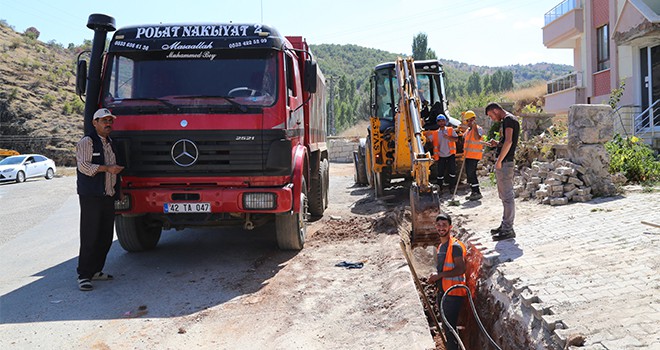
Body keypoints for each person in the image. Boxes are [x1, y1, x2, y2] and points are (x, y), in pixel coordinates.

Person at [75, 108, 124, 291]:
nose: (108, 123)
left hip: (108, 196)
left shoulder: (111, 143)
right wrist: (107, 169)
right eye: (103, 120)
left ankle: (96, 270)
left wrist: (118, 190)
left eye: (110, 120)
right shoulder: (87, 142)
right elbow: (84, 167)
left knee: (105, 236)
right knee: (90, 235)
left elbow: (116, 170)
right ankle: (84, 275)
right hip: (91, 197)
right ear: (94, 123)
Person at [427, 213, 467, 350]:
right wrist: (436, 275)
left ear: (450, 227)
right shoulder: (441, 247)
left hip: (453, 293)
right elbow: (444, 268)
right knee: (447, 327)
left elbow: (461, 268)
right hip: (444, 292)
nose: (441, 228)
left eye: (444, 225)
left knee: (450, 330)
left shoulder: (454, 246)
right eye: (438, 225)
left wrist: (439, 276)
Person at [485, 102, 520, 241]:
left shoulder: (509, 120)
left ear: (496, 110)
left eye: (491, 115)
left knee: (507, 197)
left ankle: (508, 229)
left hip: (505, 163)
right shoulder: (507, 120)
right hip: (505, 163)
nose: (492, 118)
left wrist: (499, 160)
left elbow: (509, 142)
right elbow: (505, 141)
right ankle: (505, 224)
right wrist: (497, 144)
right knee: (504, 196)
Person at [427, 114, 458, 193]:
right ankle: (440, 188)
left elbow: (456, 139)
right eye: (439, 121)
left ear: (445, 121)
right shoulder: (435, 133)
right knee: (440, 173)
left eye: (443, 121)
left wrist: (449, 137)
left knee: (452, 172)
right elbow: (429, 142)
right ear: (437, 123)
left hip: (450, 154)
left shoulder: (450, 130)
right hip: (441, 156)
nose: (441, 122)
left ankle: (452, 188)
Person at [461, 110, 485, 201]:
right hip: (468, 155)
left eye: (468, 121)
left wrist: (474, 127)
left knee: (472, 173)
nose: (467, 123)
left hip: (474, 155)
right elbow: (464, 137)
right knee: (469, 174)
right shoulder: (468, 130)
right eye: (466, 121)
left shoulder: (477, 128)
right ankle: (473, 191)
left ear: (473, 119)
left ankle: (477, 192)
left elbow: (478, 137)